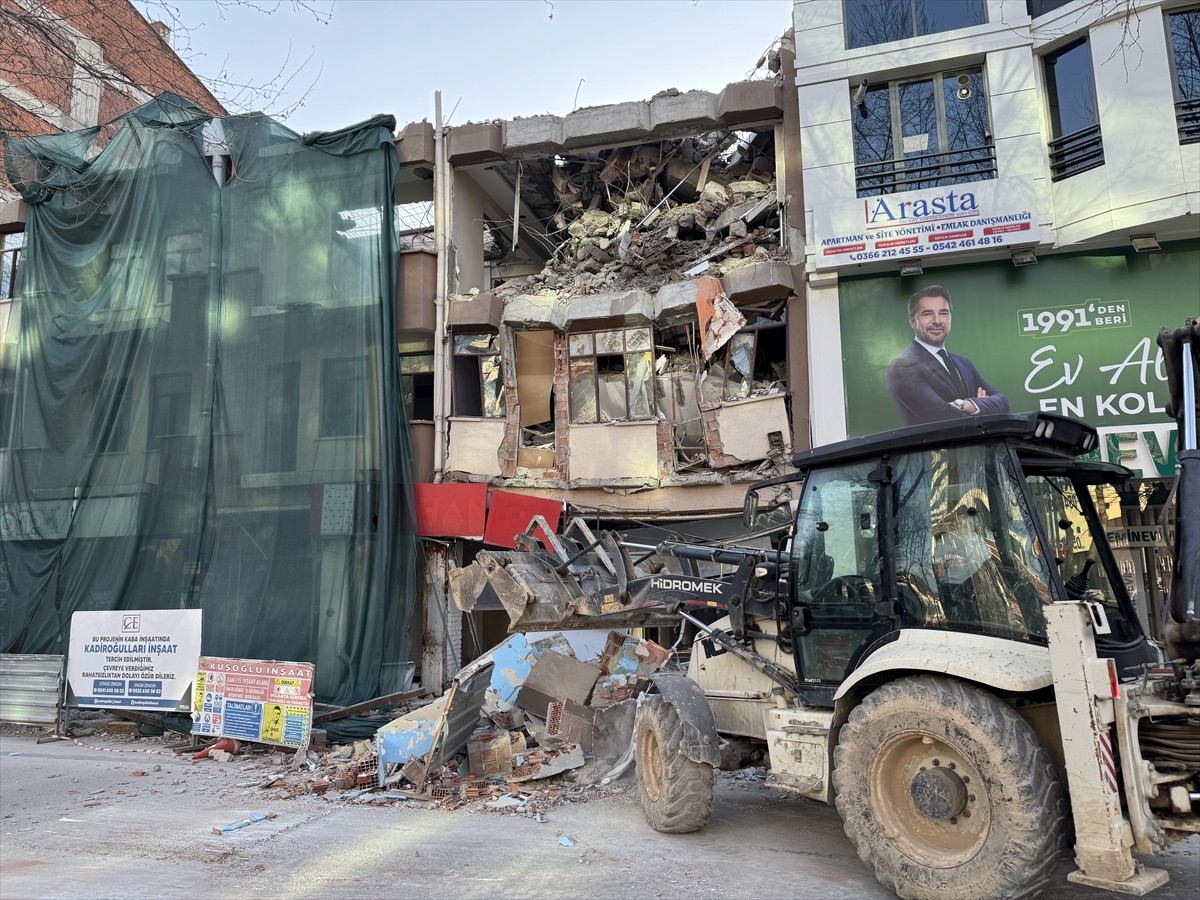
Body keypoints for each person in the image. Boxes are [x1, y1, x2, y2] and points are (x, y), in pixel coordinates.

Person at [887, 285, 1009, 426]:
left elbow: (1003, 403)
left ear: (950, 317)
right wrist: (983, 407)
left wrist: (965, 404)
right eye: (927, 314)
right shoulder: (902, 367)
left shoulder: (965, 364)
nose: (937, 321)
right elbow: (943, 416)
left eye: (943, 313)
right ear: (912, 321)